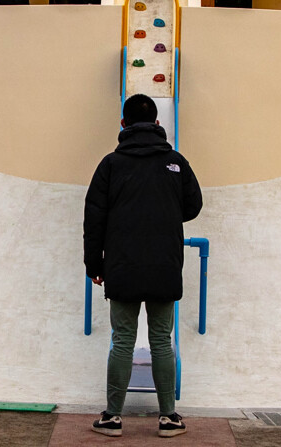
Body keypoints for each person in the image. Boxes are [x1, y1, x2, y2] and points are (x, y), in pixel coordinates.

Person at [84, 93, 202, 438]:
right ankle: (168, 418)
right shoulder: (176, 162)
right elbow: (193, 205)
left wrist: (94, 264)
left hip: (122, 264)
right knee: (162, 340)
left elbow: (94, 218)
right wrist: (165, 213)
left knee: (122, 340)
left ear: (123, 124)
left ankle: (112, 418)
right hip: (165, 264)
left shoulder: (110, 164)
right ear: (157, 123)